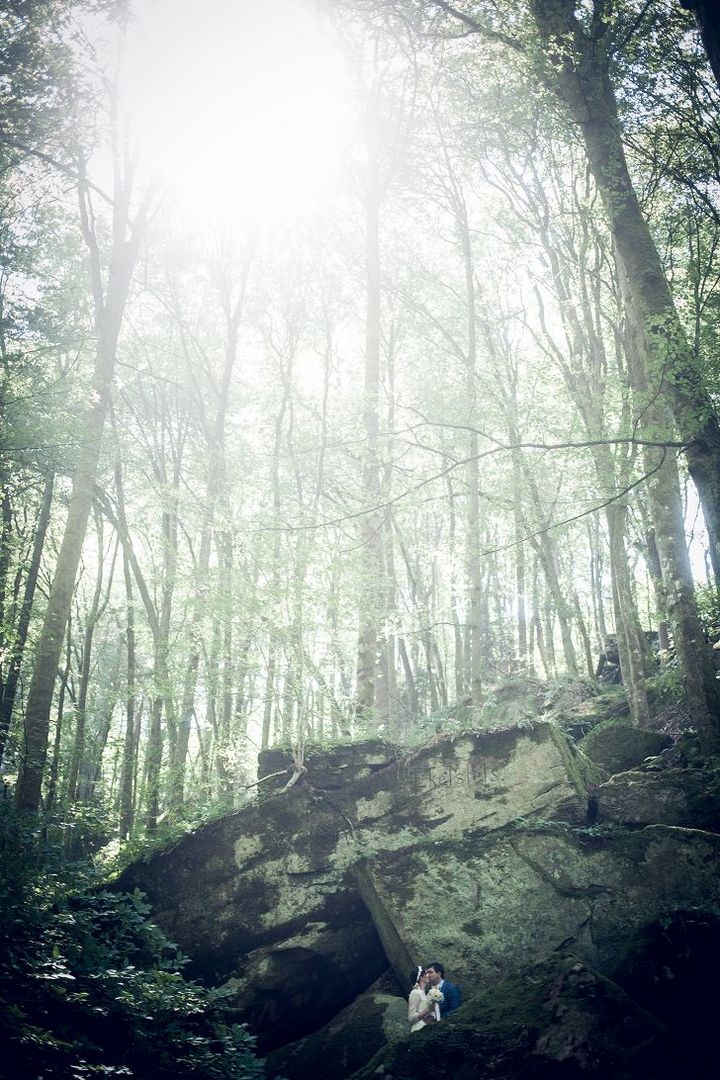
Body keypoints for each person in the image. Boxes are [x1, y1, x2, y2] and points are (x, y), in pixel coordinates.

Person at [408, 966, 432, 1032]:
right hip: (418, 1029)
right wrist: (429, 1009)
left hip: (426, 1028)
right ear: (421, 977)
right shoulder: (415, 993)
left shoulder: (423, 992)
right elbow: (411, 1018)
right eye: (426, 973)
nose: (428, 975)